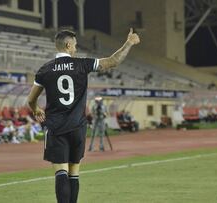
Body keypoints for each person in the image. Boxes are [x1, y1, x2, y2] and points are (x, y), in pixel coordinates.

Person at [27, 28, 140, 203]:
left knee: (61, 172)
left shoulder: (45, 69)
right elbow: (112, 61)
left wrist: (36, 110)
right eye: (75, 45)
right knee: (74, 173)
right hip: (77, 127)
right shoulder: (82, 64)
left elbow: (31, 99)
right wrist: (129, 43)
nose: (76, 49)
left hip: (56, 127)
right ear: (68, 44)